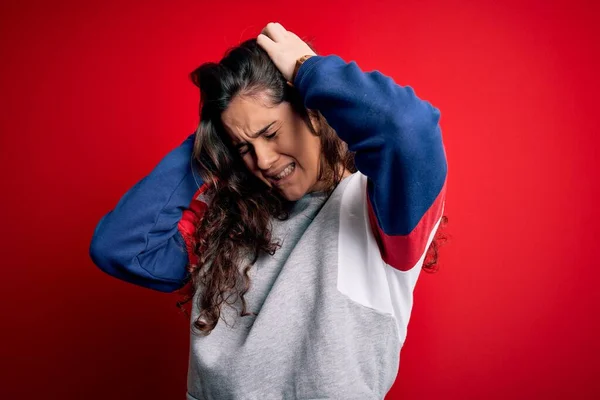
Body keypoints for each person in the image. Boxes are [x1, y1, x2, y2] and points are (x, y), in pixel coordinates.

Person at [89, 22, 448, 400]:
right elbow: (121, 247)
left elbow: (407, 128)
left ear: (313, 113)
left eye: (270, 133)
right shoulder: (228, 218)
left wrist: (308, 69)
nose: (261, 159)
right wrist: (211, 144)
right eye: (243, 147)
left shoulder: (378, 210)